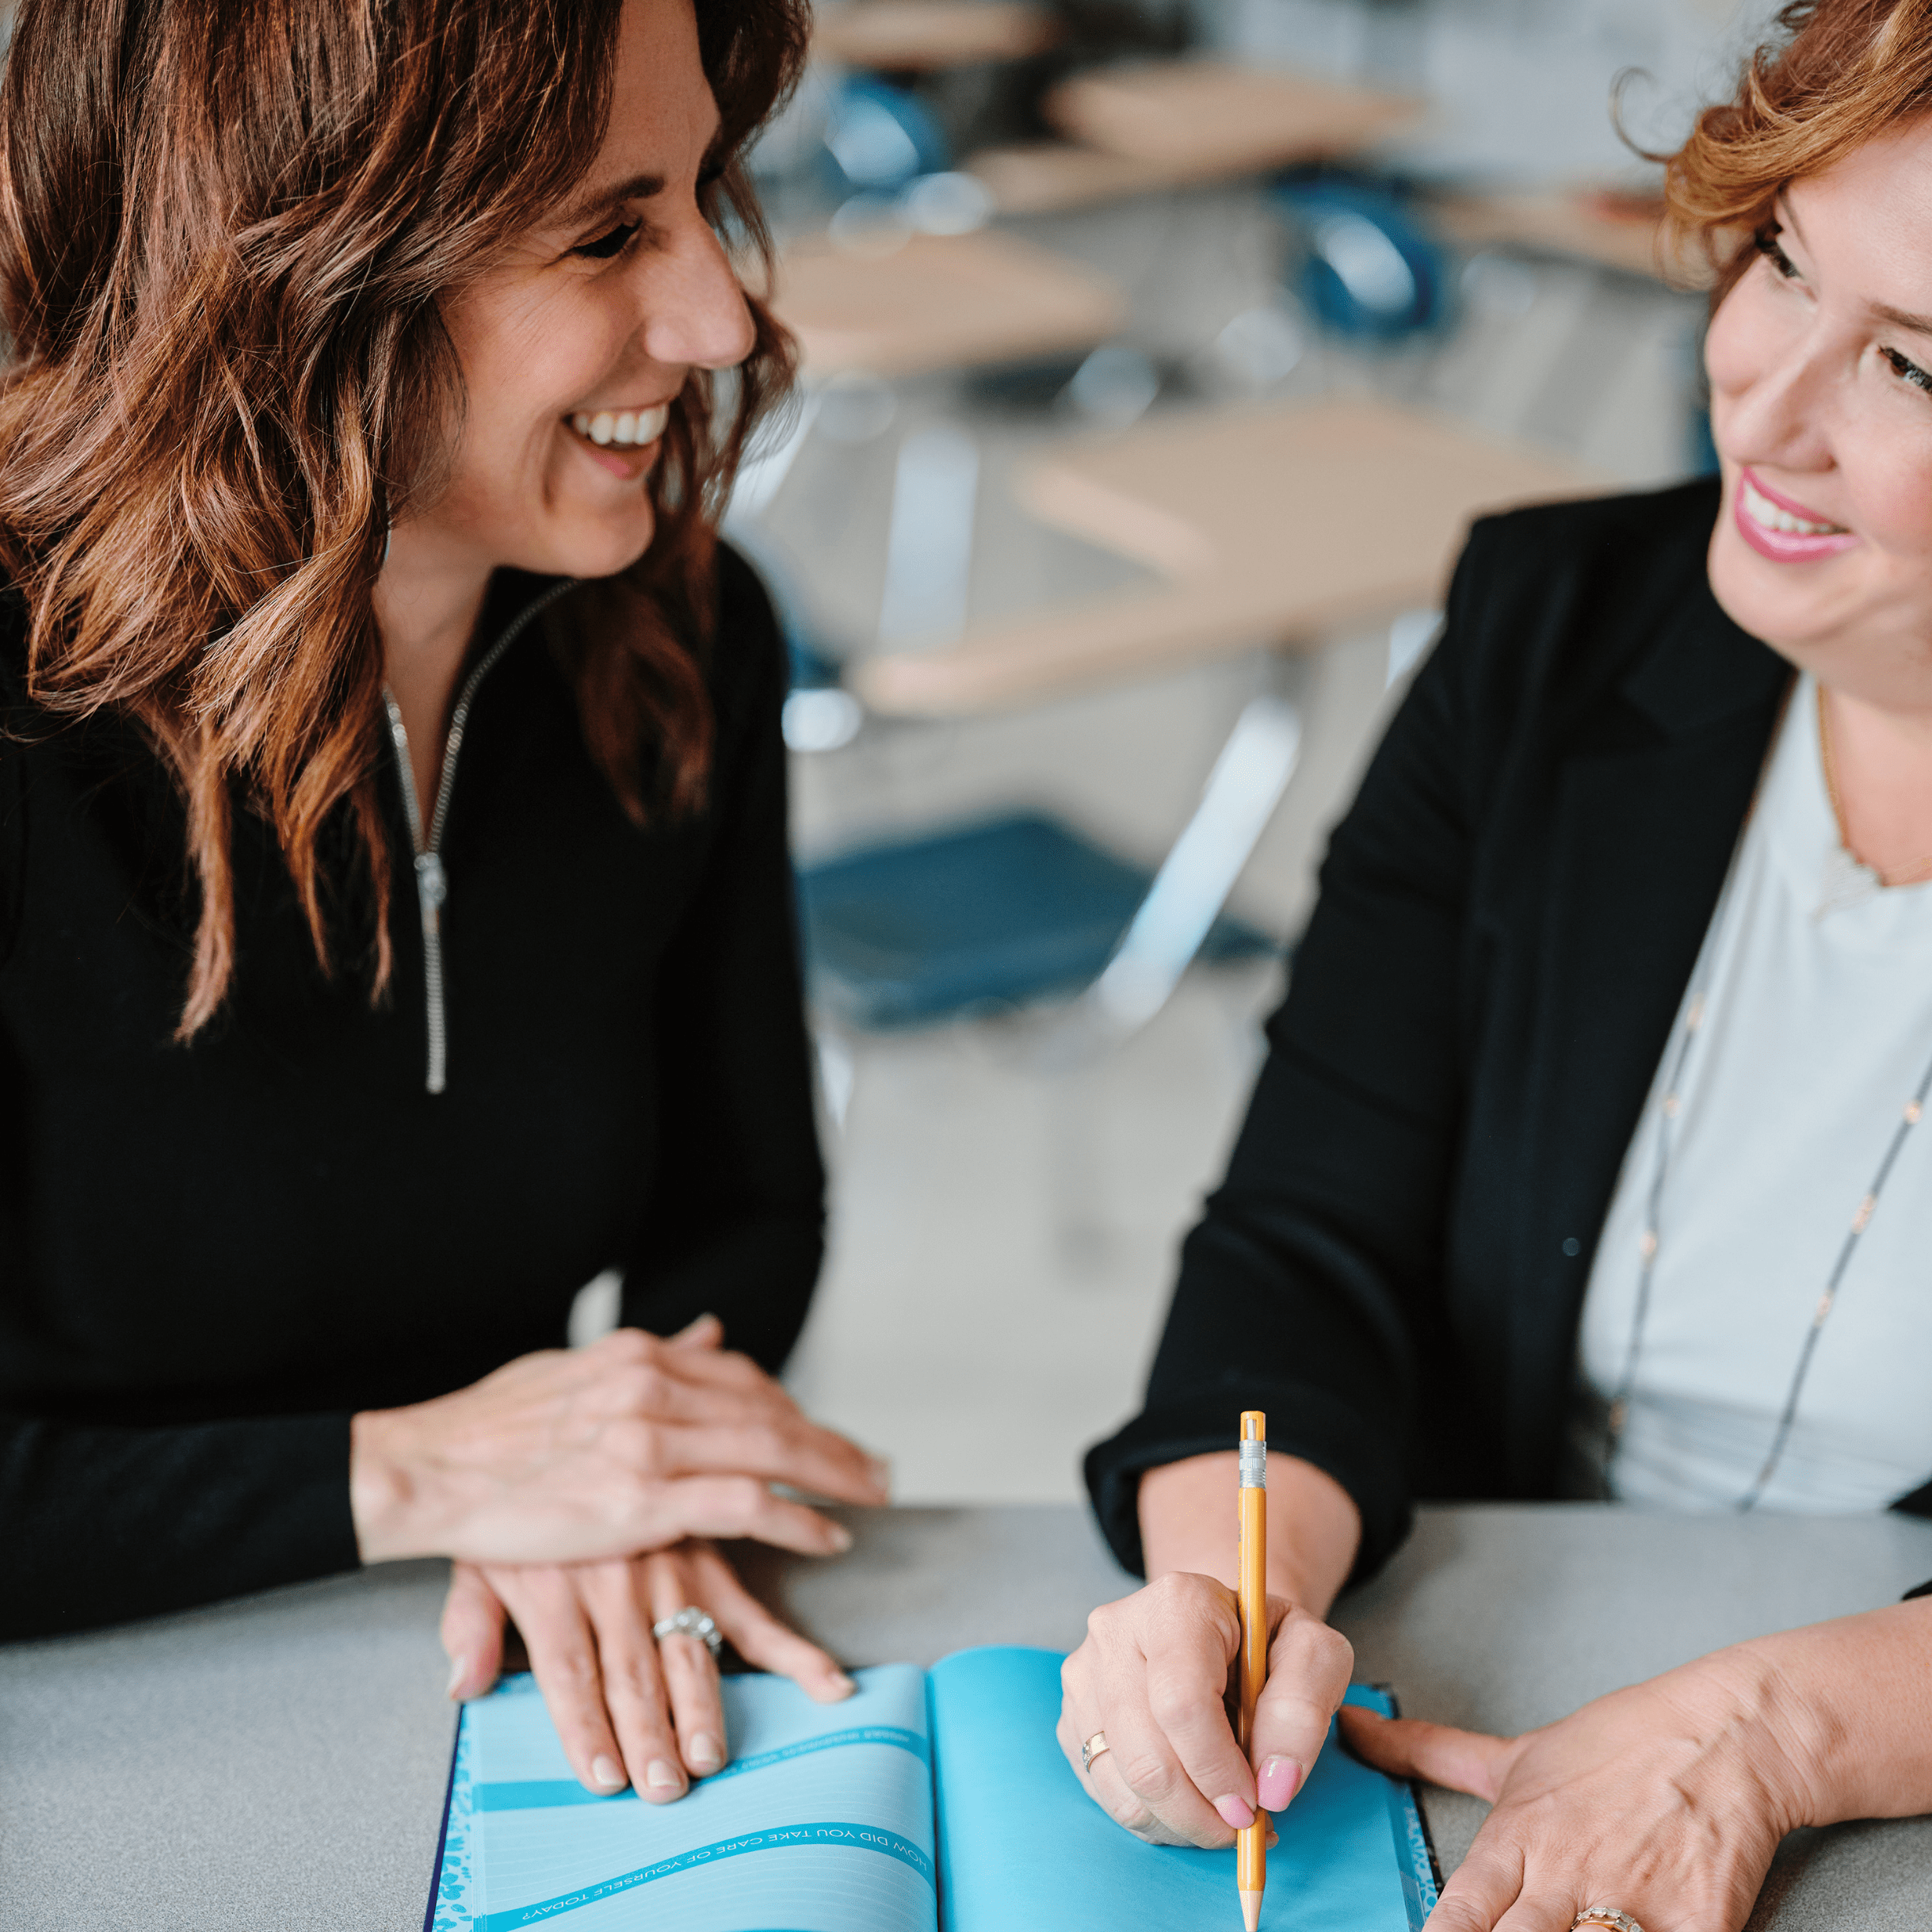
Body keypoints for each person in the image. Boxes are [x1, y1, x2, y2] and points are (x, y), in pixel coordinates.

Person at [1062, 3, 1932, 1927]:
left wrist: (1772, 1728)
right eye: (1779, 262)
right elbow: (1304, 1245)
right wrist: (1233, 1583)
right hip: (1487, 1691)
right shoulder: (1551, 628)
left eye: (1914, 368)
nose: (1762, 408)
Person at [0, 0, 891, 1807]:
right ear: (297, 262)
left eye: (705, 192)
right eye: (606, 229)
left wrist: (618, 1453)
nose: (723, 317)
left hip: (467, 1675)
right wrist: (429, 1474)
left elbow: (747, 1205)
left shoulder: (684, 630)